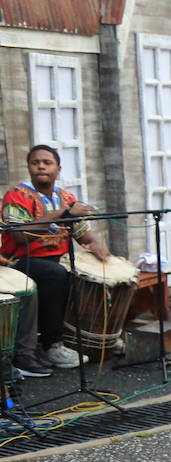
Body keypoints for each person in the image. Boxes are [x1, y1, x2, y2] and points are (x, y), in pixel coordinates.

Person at [0, 144, 112, 370]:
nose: (41, 166)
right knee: (55, 274)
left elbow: (84, 235)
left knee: (84, 275)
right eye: (35, 162)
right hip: (18, 262)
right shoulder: (17, 196)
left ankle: (102, 338)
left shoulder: (67, 197)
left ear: (58, 169)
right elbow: (20, 236)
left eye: (47, 162)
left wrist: (99, 249)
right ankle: (52, 345)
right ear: (29, 167)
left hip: (55, 261)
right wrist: (62, 213)